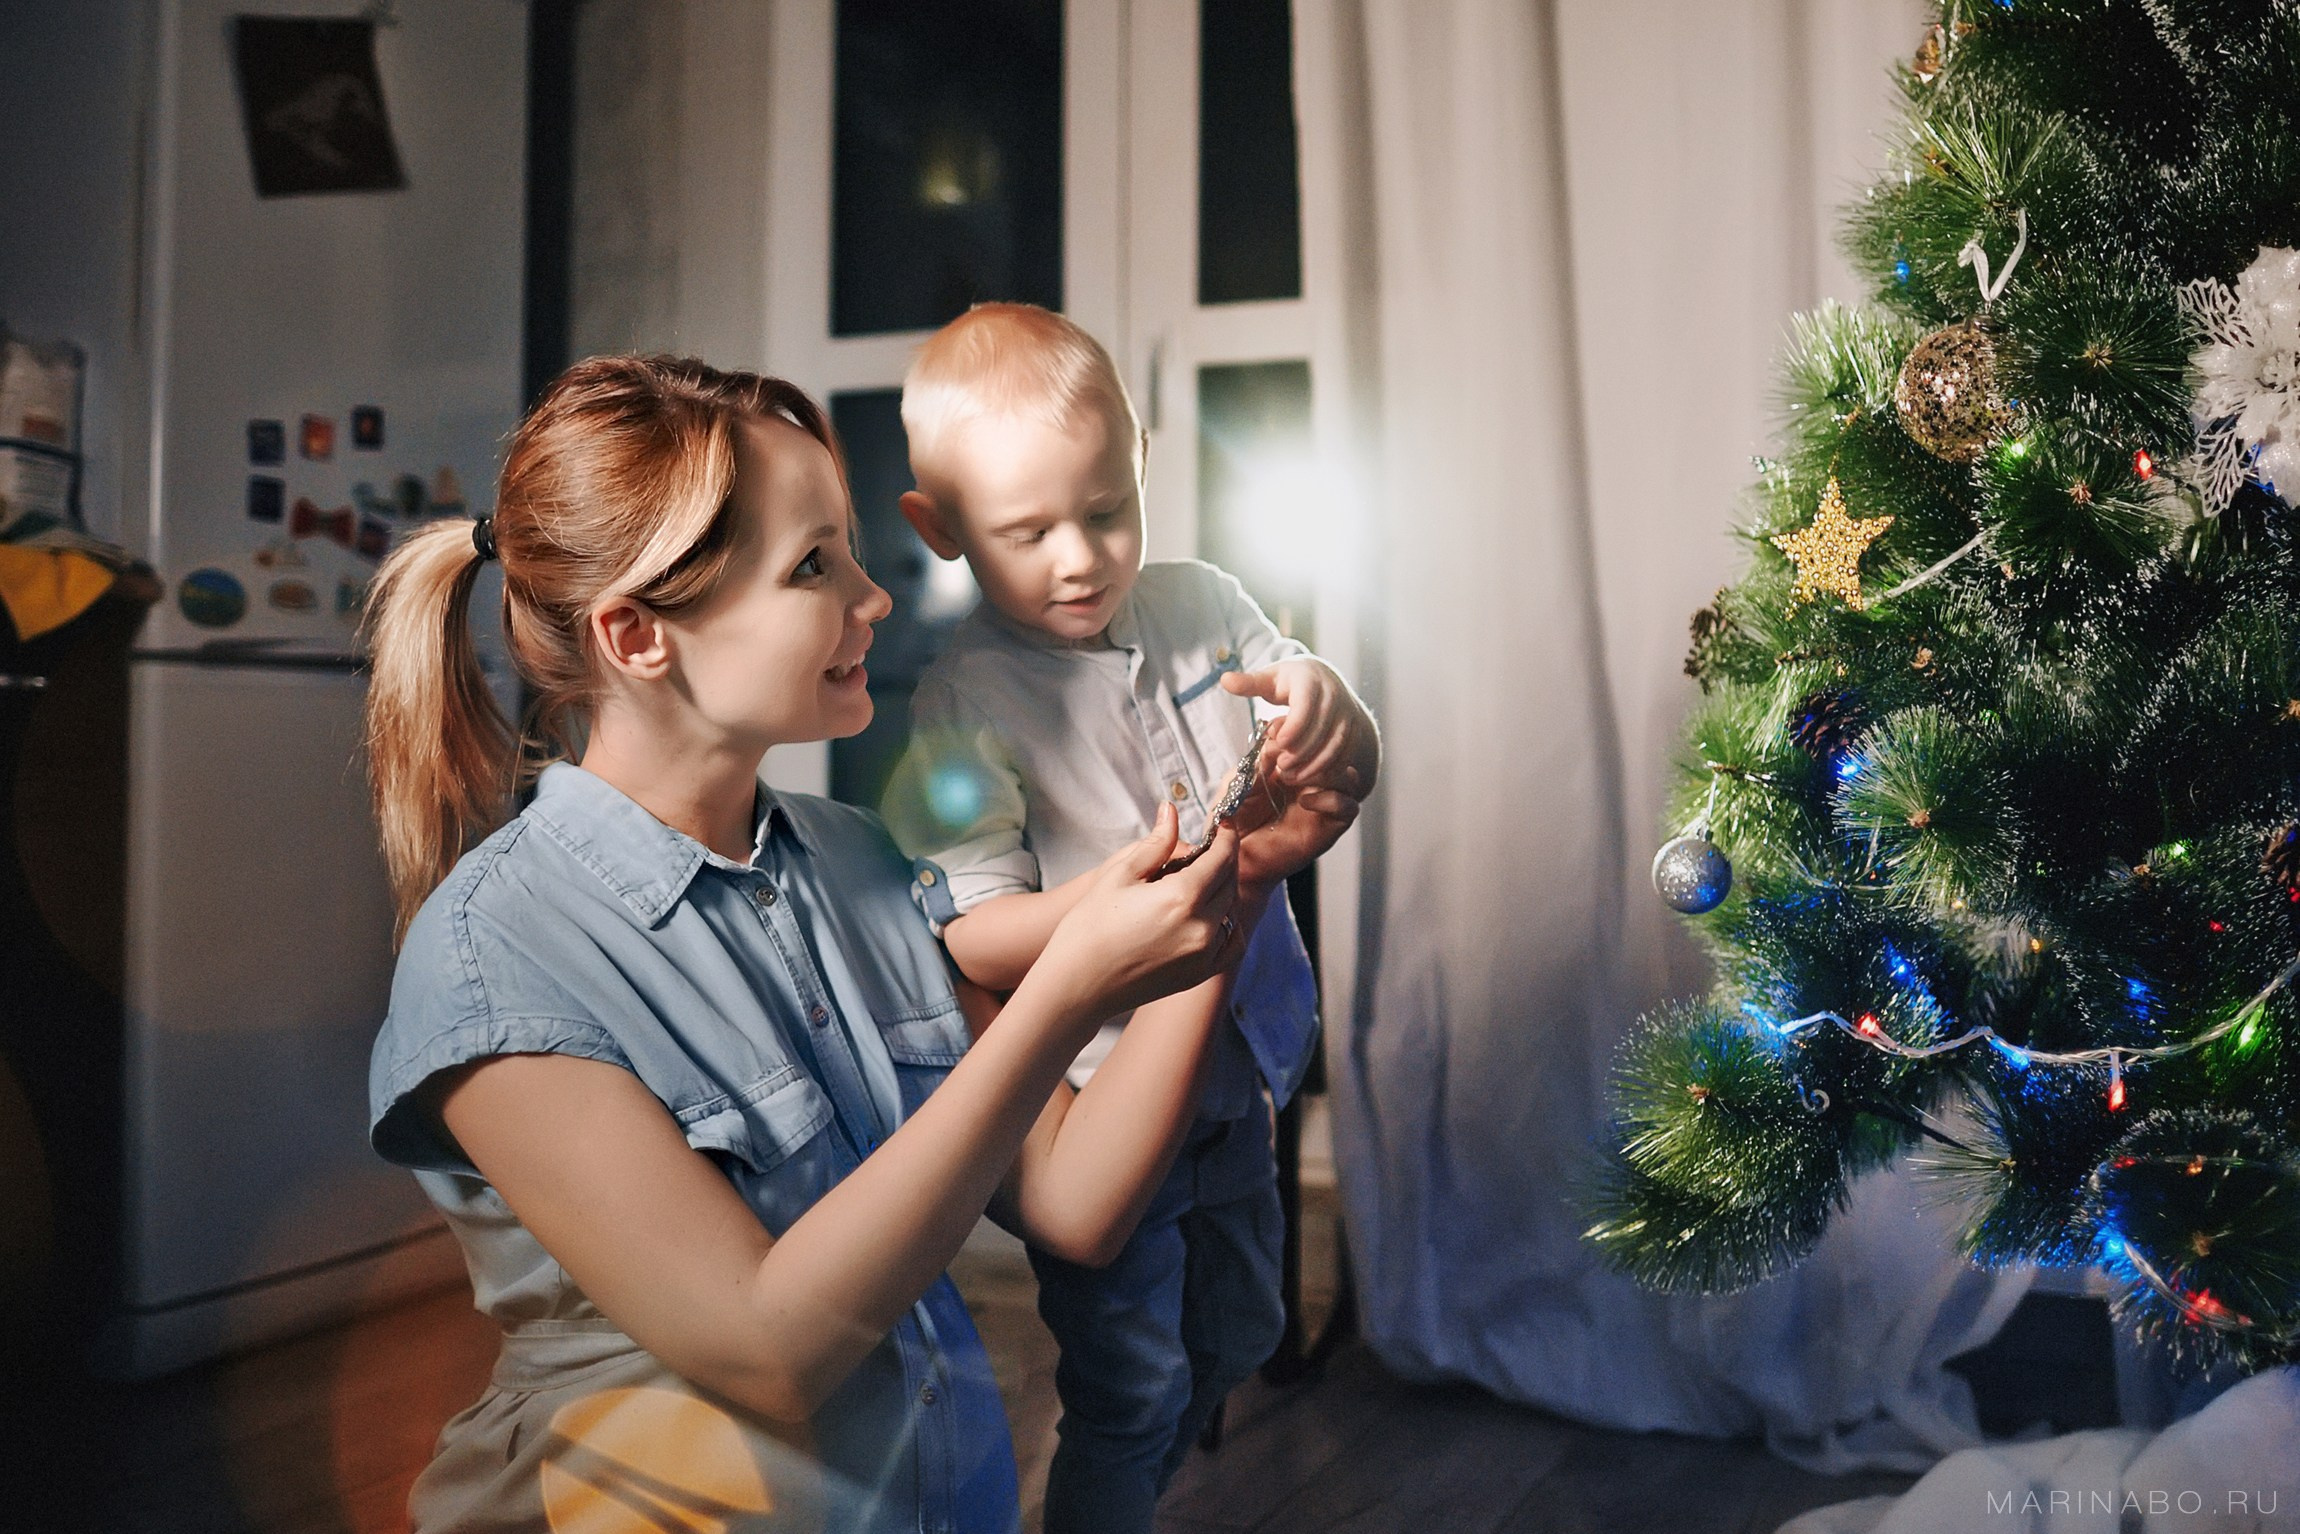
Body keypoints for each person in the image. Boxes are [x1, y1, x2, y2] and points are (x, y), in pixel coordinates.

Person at [360, 355, 1358, 1532]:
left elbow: (1076, 1201)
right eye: (812, 565)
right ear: (637, 637)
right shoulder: (497, 952)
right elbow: (770, 1350)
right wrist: (1062, 987)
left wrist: (1235, 872)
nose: (873, 597)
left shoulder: (863, 867)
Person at [878, 304, 1381, 1534]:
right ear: (939, 530)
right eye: (1028, 530)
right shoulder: (958, 709)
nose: (1079, 557)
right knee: (1131, 1381)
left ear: (1143, 462)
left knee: (1243, 1326)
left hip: (1237, 1063)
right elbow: (974, 936)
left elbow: (1327, 741)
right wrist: (1119, 904)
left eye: (1106, 510)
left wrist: (1325, 697)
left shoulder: (1203, 604)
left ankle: (1132, 1484)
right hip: (1107, 1098)